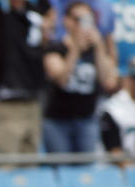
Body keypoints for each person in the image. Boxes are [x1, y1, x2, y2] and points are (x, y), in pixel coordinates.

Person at [42, 1, 119, 153]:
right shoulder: (56, 47)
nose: (82, 24)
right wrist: (75, 49)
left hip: (87, 119)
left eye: (88, 19)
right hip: (58, 120)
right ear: (66, 21)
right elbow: (62, 80)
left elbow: (108, 80)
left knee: (86, 173)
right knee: (62, 171)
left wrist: (99, 47)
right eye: (78, 19)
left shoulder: (95, 49)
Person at [0, 0, 54, 155]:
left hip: (33, 99)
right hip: (6, 101)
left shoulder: (35, 14)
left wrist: (47, 28)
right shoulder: (0, 16)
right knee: (5, 165)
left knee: (30, 167)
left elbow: (51, 14)